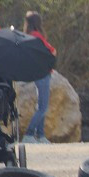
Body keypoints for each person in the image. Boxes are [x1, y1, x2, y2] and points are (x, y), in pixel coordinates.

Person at [21, 11, 56, 144]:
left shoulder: (28, 36)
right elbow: (51, 50)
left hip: (37, 73)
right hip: (43, 73)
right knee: (43, 106)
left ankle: (40, 134)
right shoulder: (37, 36)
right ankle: (29, 134)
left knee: (41, 105)